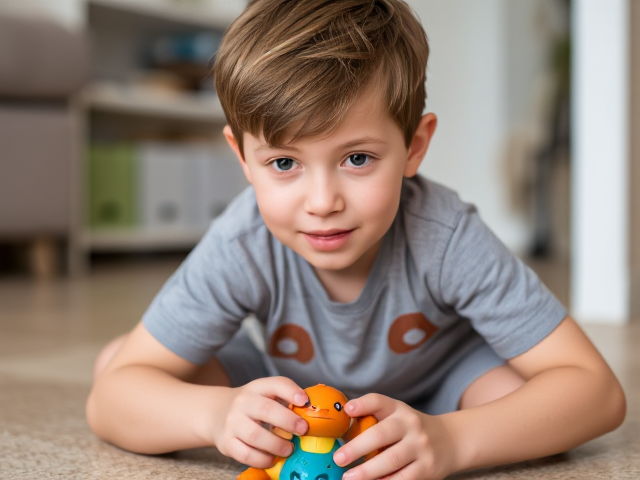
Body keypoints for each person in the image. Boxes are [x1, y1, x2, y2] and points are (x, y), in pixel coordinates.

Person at [86, 1, 626, 479]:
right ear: (243, 158)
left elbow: (596, 392)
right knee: (120, 364)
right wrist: (217, 414)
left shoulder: (446, 235)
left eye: (357, 158)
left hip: (441, 391)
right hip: (290, 394)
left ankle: (417, 436)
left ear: (415, 146)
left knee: (531, 406)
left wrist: (453, 441)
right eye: (283, 163)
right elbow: (110, 400)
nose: (322, 201)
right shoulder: (242, 242)